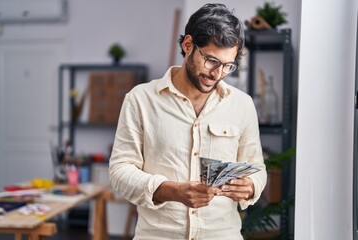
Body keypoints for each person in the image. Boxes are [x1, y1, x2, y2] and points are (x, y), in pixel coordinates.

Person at [109, 3, 267, 240]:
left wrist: (251, 186)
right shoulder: (140, 100)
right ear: (188, 45)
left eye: (227, 66)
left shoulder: (241, 105)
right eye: (212, 61)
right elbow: (119, 172)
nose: (217, 74)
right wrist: (169, 191)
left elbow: (258, 169)